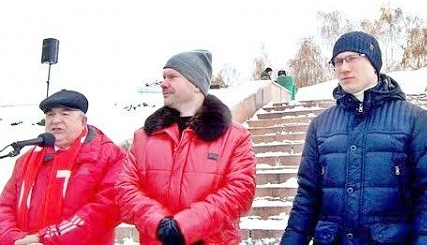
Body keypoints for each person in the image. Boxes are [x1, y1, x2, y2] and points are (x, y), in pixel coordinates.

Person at [281, 31, 427, 244]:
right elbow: (307, 197)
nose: (344, 68)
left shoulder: (414, 119)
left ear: (373, 62)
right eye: (338, 61)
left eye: (352, 58)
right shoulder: (321, 125)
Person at [116, 49, 256, 245]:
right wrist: (159, 223)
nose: (163, 83)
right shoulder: (143, 136)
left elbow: (240, 192)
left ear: (196, 85)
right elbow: (125, 189)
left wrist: (186, 226)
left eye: (172, 76)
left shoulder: (234, 136)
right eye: (163, 77)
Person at [0, 89, 125, 245]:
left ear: (83, 121)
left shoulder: (109, 156)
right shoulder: (26, 160)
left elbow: (108, 209)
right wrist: (16, 239)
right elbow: (5, 207)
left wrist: (47, 238)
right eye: (50, 114)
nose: (55, 120)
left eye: (65, 114)